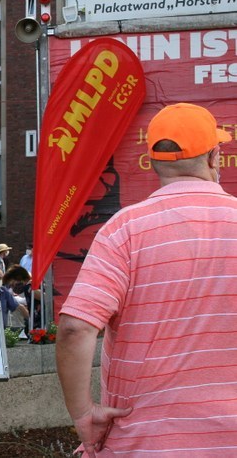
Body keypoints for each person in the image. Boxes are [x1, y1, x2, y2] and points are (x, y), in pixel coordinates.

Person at [56, 103, 237, 455]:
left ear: (153, 161)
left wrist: (83, 414)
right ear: (215, 158)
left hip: (143, 443)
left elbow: (75, 328)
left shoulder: (125, 231)